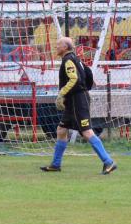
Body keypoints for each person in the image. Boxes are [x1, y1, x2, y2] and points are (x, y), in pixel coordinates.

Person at [39, 37, 118, 175]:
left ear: (65, 47)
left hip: (78, 101)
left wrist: (62, 93)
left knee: (86, 132)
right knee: (61, 130)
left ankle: (108, 161)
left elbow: (74, 79)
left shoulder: (68, 60)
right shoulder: (76, 59)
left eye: (58, 45)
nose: (56, 47)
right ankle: (56, 164)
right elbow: (88, 75)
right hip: (75, 99)